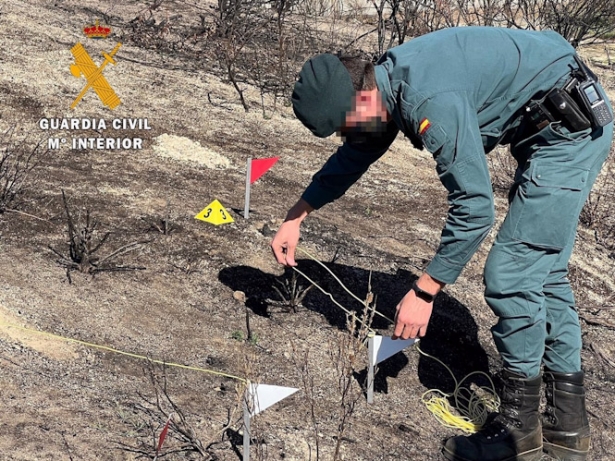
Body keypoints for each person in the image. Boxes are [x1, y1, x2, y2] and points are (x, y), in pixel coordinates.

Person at [270, 26, 613, 461]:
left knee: (511, 271)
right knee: (541, 272)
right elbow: (357, 151)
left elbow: (475, 209)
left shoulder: (429, 99)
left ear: (362, 98)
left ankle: (518, 431)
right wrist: (298, 213)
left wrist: (425, 290)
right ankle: (567, 427)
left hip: (570, 131)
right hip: (553, 119)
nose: (344, 136)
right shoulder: (385, 83)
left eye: (343, 126)